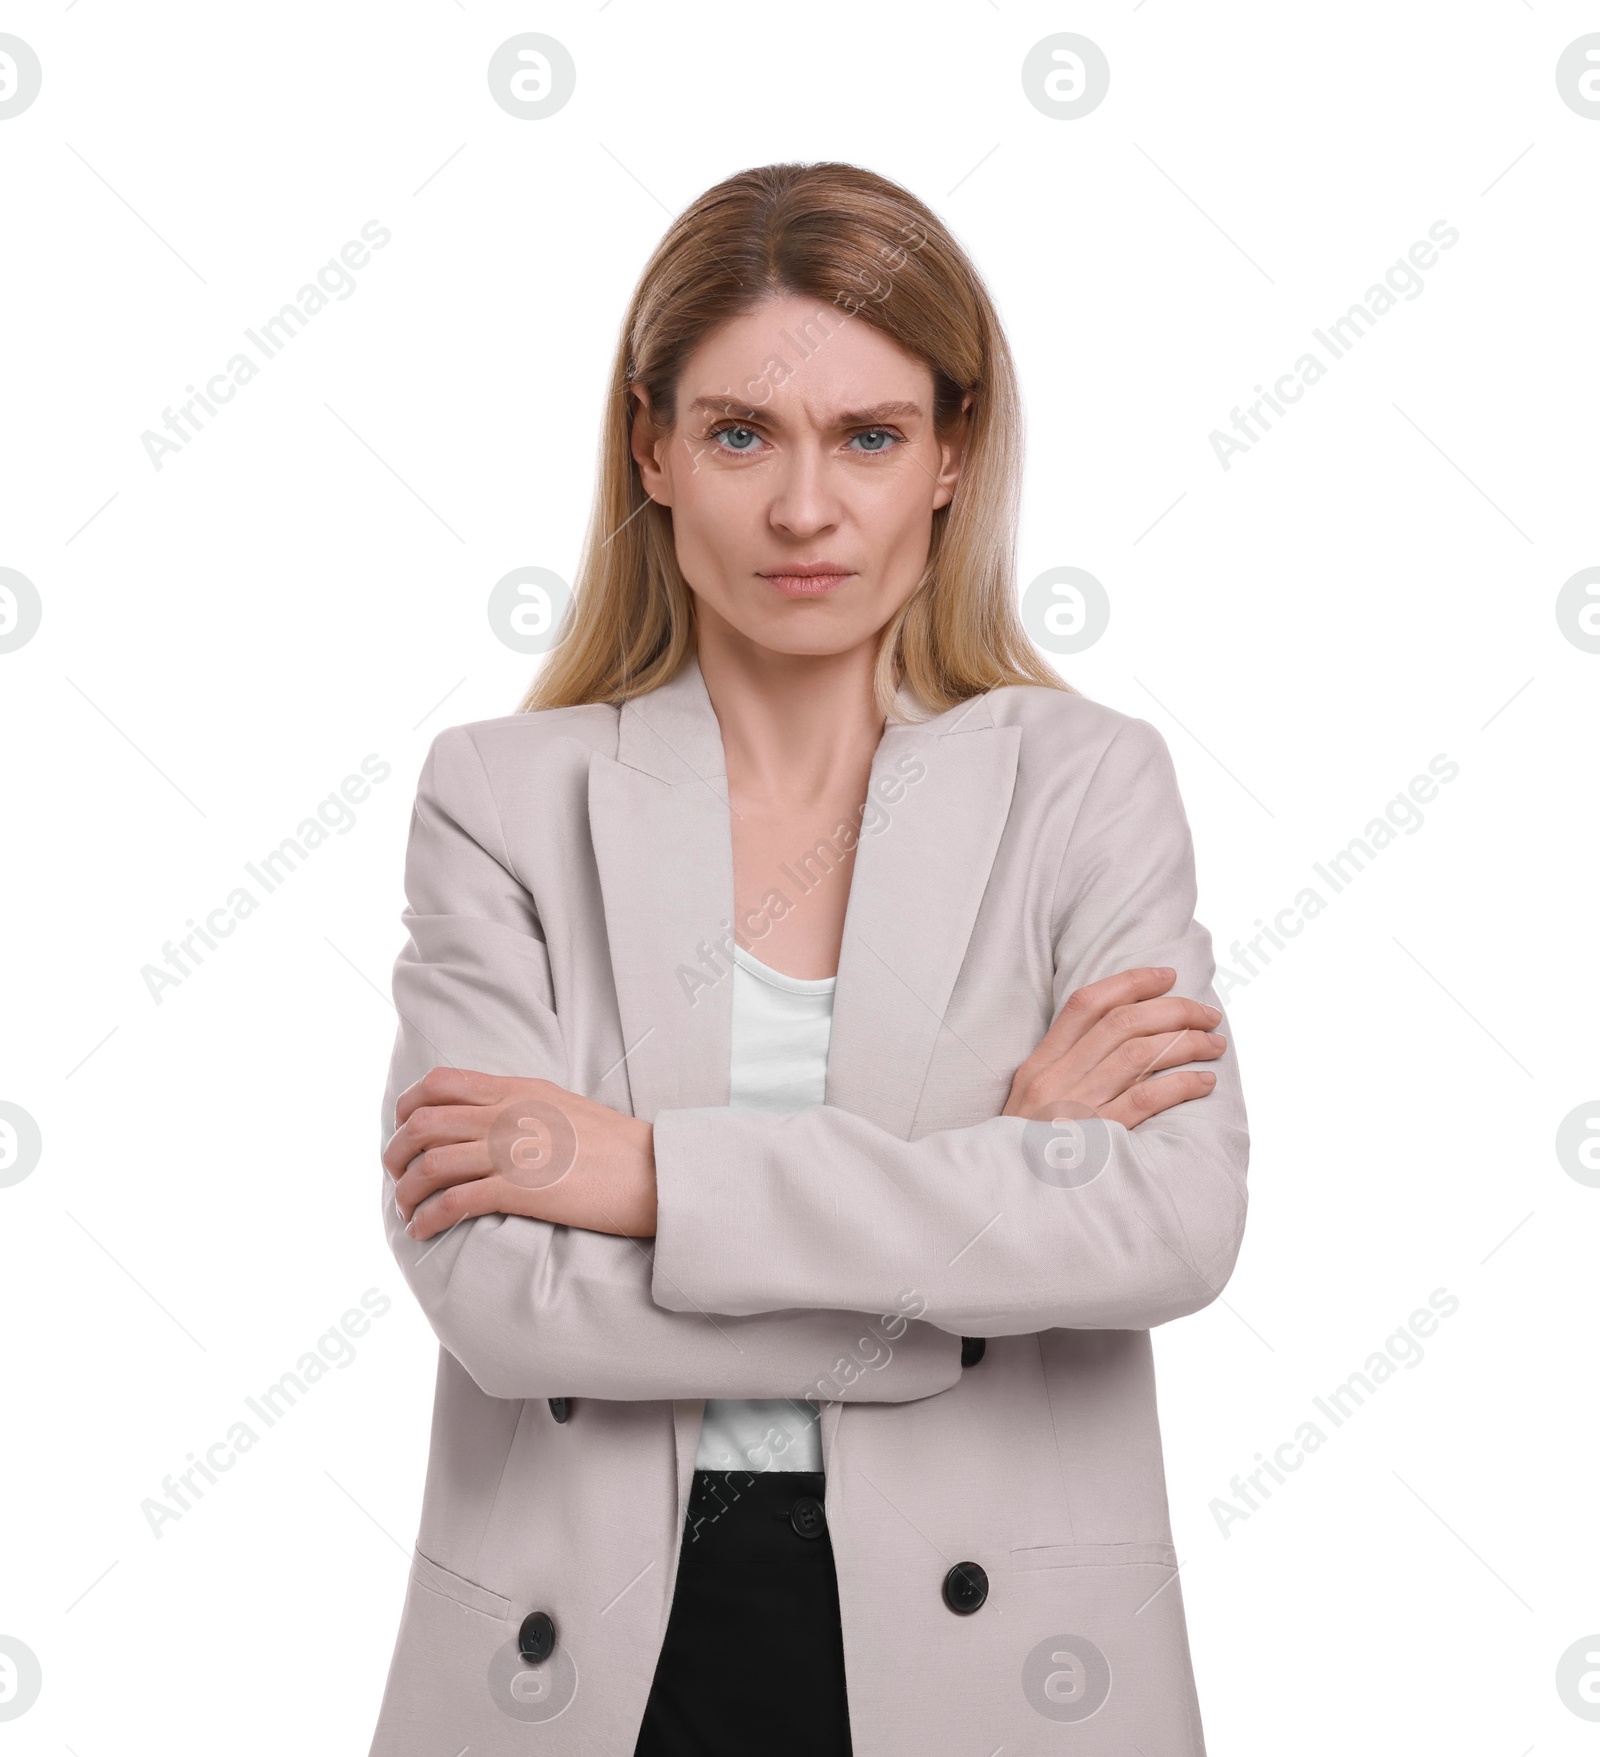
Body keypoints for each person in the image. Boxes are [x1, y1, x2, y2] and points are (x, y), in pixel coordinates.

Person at [367, 161, 1248, 1757]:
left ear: (949, 456)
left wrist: (643, 1178)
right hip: (590, 1666)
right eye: (739, 433)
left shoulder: (1085, 784)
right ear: (651, 444)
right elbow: (502, 1298)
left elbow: (1173, 1227)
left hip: (1004, 1667)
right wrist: (988, 1233)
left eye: (868, 435)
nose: (801, 508)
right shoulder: (501, 798)